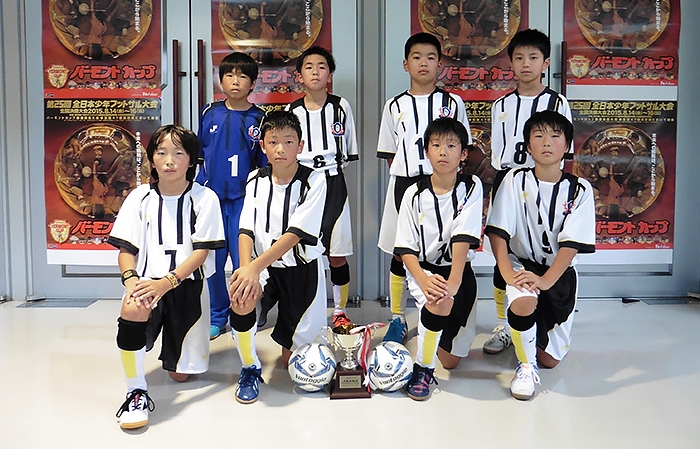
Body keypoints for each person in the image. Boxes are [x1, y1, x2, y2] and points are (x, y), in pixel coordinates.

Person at [109, 125, 225, 429]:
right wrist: (132, 282)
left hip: (187, 286)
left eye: (178, 153)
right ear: (152, 159)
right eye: (161, 152)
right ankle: (135, 391)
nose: (169, 160)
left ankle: (177, 354)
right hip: (148, 282)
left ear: (192, 160)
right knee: (133, 306)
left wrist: (167, 283)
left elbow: (201, 253)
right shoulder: (139, 198)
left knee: (180, 376)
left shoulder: (205, 198)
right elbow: (125, 250)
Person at [485, 110, 595, 400]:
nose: (547, 142)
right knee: (523, 302)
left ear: (567, 145)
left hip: (558, 274)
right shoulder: (514, 180)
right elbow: (498, 232)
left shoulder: (580, 189)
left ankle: (525, 337)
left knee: (551, 360)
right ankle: (525, 366)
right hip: (523, 265)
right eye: (538, 135)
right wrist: (508, 273)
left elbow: (571, 245)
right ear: (528, 146)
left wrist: (545, 281)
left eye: (555, 136)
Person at [377, 32, 471, 343]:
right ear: (406, 64)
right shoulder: (394, 105)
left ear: (439, 64)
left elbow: (462, 146)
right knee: (400, 252)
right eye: (416, 57)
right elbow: (389, 153)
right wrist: (410, 184)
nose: (423, 63)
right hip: (406, 184)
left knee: (443, 248)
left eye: (431, 58)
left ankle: (441, 309)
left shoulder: (452, 103)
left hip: (444, 185)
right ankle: (397, 317)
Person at [228, 111, 328, 404]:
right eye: (273, 142)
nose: (281, 148)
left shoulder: (314, 180)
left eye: (288, 141)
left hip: (301, 268)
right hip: (263, 267)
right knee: (241, 297)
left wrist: (253, 267)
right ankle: (249, 368)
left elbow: (295, 233)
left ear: (300, 145)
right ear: (263, 146)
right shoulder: (255, 179)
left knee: (292, 363)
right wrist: (246, 270)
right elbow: (245, 228)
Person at [484, 28, 573, 355]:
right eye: (519, 58)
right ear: (511, 63)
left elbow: (564, 149)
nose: (525, 64)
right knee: (503, 254)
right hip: (508, 181)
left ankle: (541, 315)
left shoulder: (556, 102)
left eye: (533, 57)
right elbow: (498, 154)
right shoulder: (501, 105)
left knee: (541, 249)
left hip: (544, 184)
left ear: (545, 63)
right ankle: (503, 324)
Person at [394, 117, 482, 401]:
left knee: (452, 361)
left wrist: (454, 282)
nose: (443, 152)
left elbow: (463, 237)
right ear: (426, 151)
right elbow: (405, 248)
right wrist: (423, 280)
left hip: (459, 270)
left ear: (463, 154)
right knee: (439, 301)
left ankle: (430, 329)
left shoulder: (471, 186)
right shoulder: (413, 193)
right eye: (436, 145)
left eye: (451, 146)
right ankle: (423, 368)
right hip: (424, 270)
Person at [285, 45, 359, 329]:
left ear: (330, 74)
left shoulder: (341, 106)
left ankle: (340, 310)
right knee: (302, 250)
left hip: (334, 182)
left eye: (321, 67)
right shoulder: (292, 110)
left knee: (336, 252)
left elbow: (349, 149)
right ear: (299, 75)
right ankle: (305, 308)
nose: (315, 72)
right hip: (303, 184)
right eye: (309, 67)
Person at [196, 52, 267, 340]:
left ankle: (244, 315)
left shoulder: (259, 118)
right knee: (213, 263)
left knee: (243, 263)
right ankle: (217, 316)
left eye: (242, 76)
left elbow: (263, 165)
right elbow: (200, 156)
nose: (235, 81)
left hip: (243, 202)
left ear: (253, 83)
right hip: (212, 201)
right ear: (221, 80)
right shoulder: (209, 113)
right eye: (229, 75)